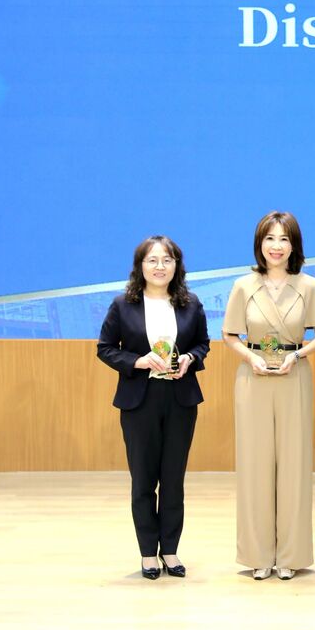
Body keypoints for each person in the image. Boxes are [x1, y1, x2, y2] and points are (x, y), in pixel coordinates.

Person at [96, 236, 210, 580]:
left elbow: (203, 344)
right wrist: (138, 361)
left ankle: (170, 550)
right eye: (153, 260)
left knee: (173, 480)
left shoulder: (190, 302)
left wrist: (190, 358)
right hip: (139, 401)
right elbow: (105, 348)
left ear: (177, 265)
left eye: (167, 260)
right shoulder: (123, 304)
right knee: (143, 480)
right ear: (140, 266)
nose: (160, 267)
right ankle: (148, 552)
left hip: (180, 399)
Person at [223, 211, 315, 581]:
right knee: (255, 467)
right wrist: (251, 357)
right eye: (270, 238)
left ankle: (291, 556)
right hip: (253, 379)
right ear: (259, 243)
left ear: (294, 244)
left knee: (294, 467)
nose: (276, 246)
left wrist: (296, 356)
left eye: (284, 239)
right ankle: (257, 554)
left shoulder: (310, 285)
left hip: (293, 375)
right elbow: (230, 335)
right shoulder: (242, 286)